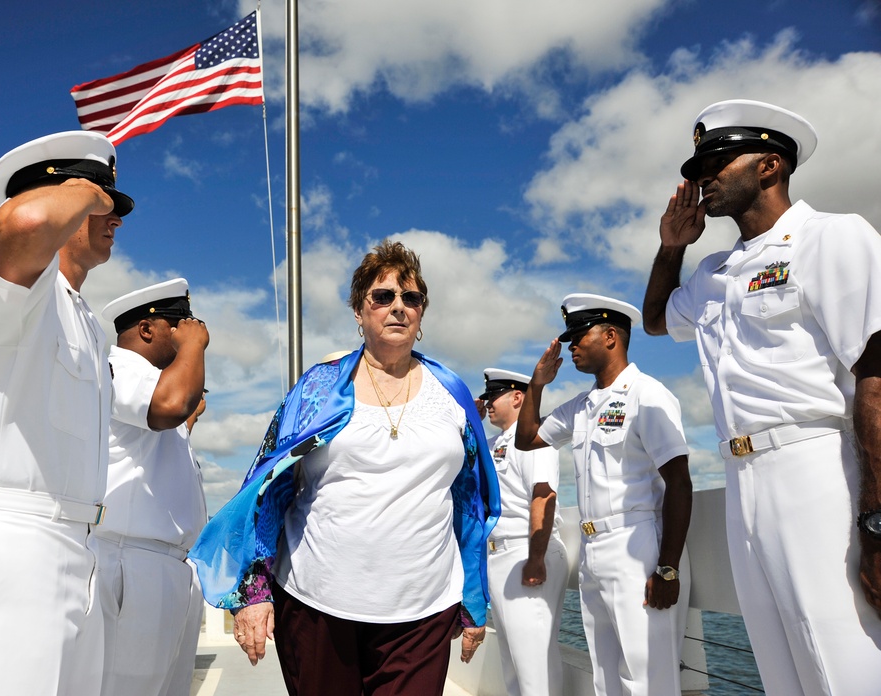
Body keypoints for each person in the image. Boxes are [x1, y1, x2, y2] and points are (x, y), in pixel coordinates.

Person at [642, 98, 881, 694]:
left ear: (770, 165)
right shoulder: (716, 272)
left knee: (844, 660)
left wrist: (878, 522)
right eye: (698, 167)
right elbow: (654, 321)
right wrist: (673, 247)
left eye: (718, 160)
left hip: (816, 468)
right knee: (782, 671)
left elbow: (875, 378)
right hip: (743, 477)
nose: (702, 178)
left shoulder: (831, 237)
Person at [188, 239, 500, 696]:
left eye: (411, 298)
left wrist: (474, 601)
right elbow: (268, 487)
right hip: (318, 603)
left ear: (422, 314)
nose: (398, 307)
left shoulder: (450, 393)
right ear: (359, 311)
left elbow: (470, 503)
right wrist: (254, 593)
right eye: (383, 296)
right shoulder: (320, 388)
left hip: (424, 610)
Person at [0, 131, 134, 696]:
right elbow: (20, 226)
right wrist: (85, 190)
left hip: (79, 547)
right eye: (103, 202)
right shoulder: (17, 291)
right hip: (16, 548)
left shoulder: (86, 320)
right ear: (64, 199)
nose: (114, 216)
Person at [515, 293, 693, 696]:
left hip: (637, 545)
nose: (571, 345)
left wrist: (668, 568)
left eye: (579, 335)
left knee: (648, 677)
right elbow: (527, 439)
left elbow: (679, 483)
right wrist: (536, 385)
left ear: (610, 336)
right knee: (605, 675)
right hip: (593, 550)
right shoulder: (581, 407)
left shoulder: (647, 394)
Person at [97, 279, 209, 696]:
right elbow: (171, 405)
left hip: (162, 566)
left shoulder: (148, 379)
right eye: (181, 322)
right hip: (132, 563)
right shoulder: (121, 367)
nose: (190, 330)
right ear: (147, 330)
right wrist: (194, 345)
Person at [477, 368, 568, 696]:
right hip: (500, 556)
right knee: (514, 665)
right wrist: (470, 423)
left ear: (518, 397)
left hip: (525, 552)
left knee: (534, 667)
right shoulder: (493, 442)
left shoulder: (536, 439)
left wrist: (536, 557)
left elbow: (543, 496)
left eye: (493, 396)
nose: (486, 402)